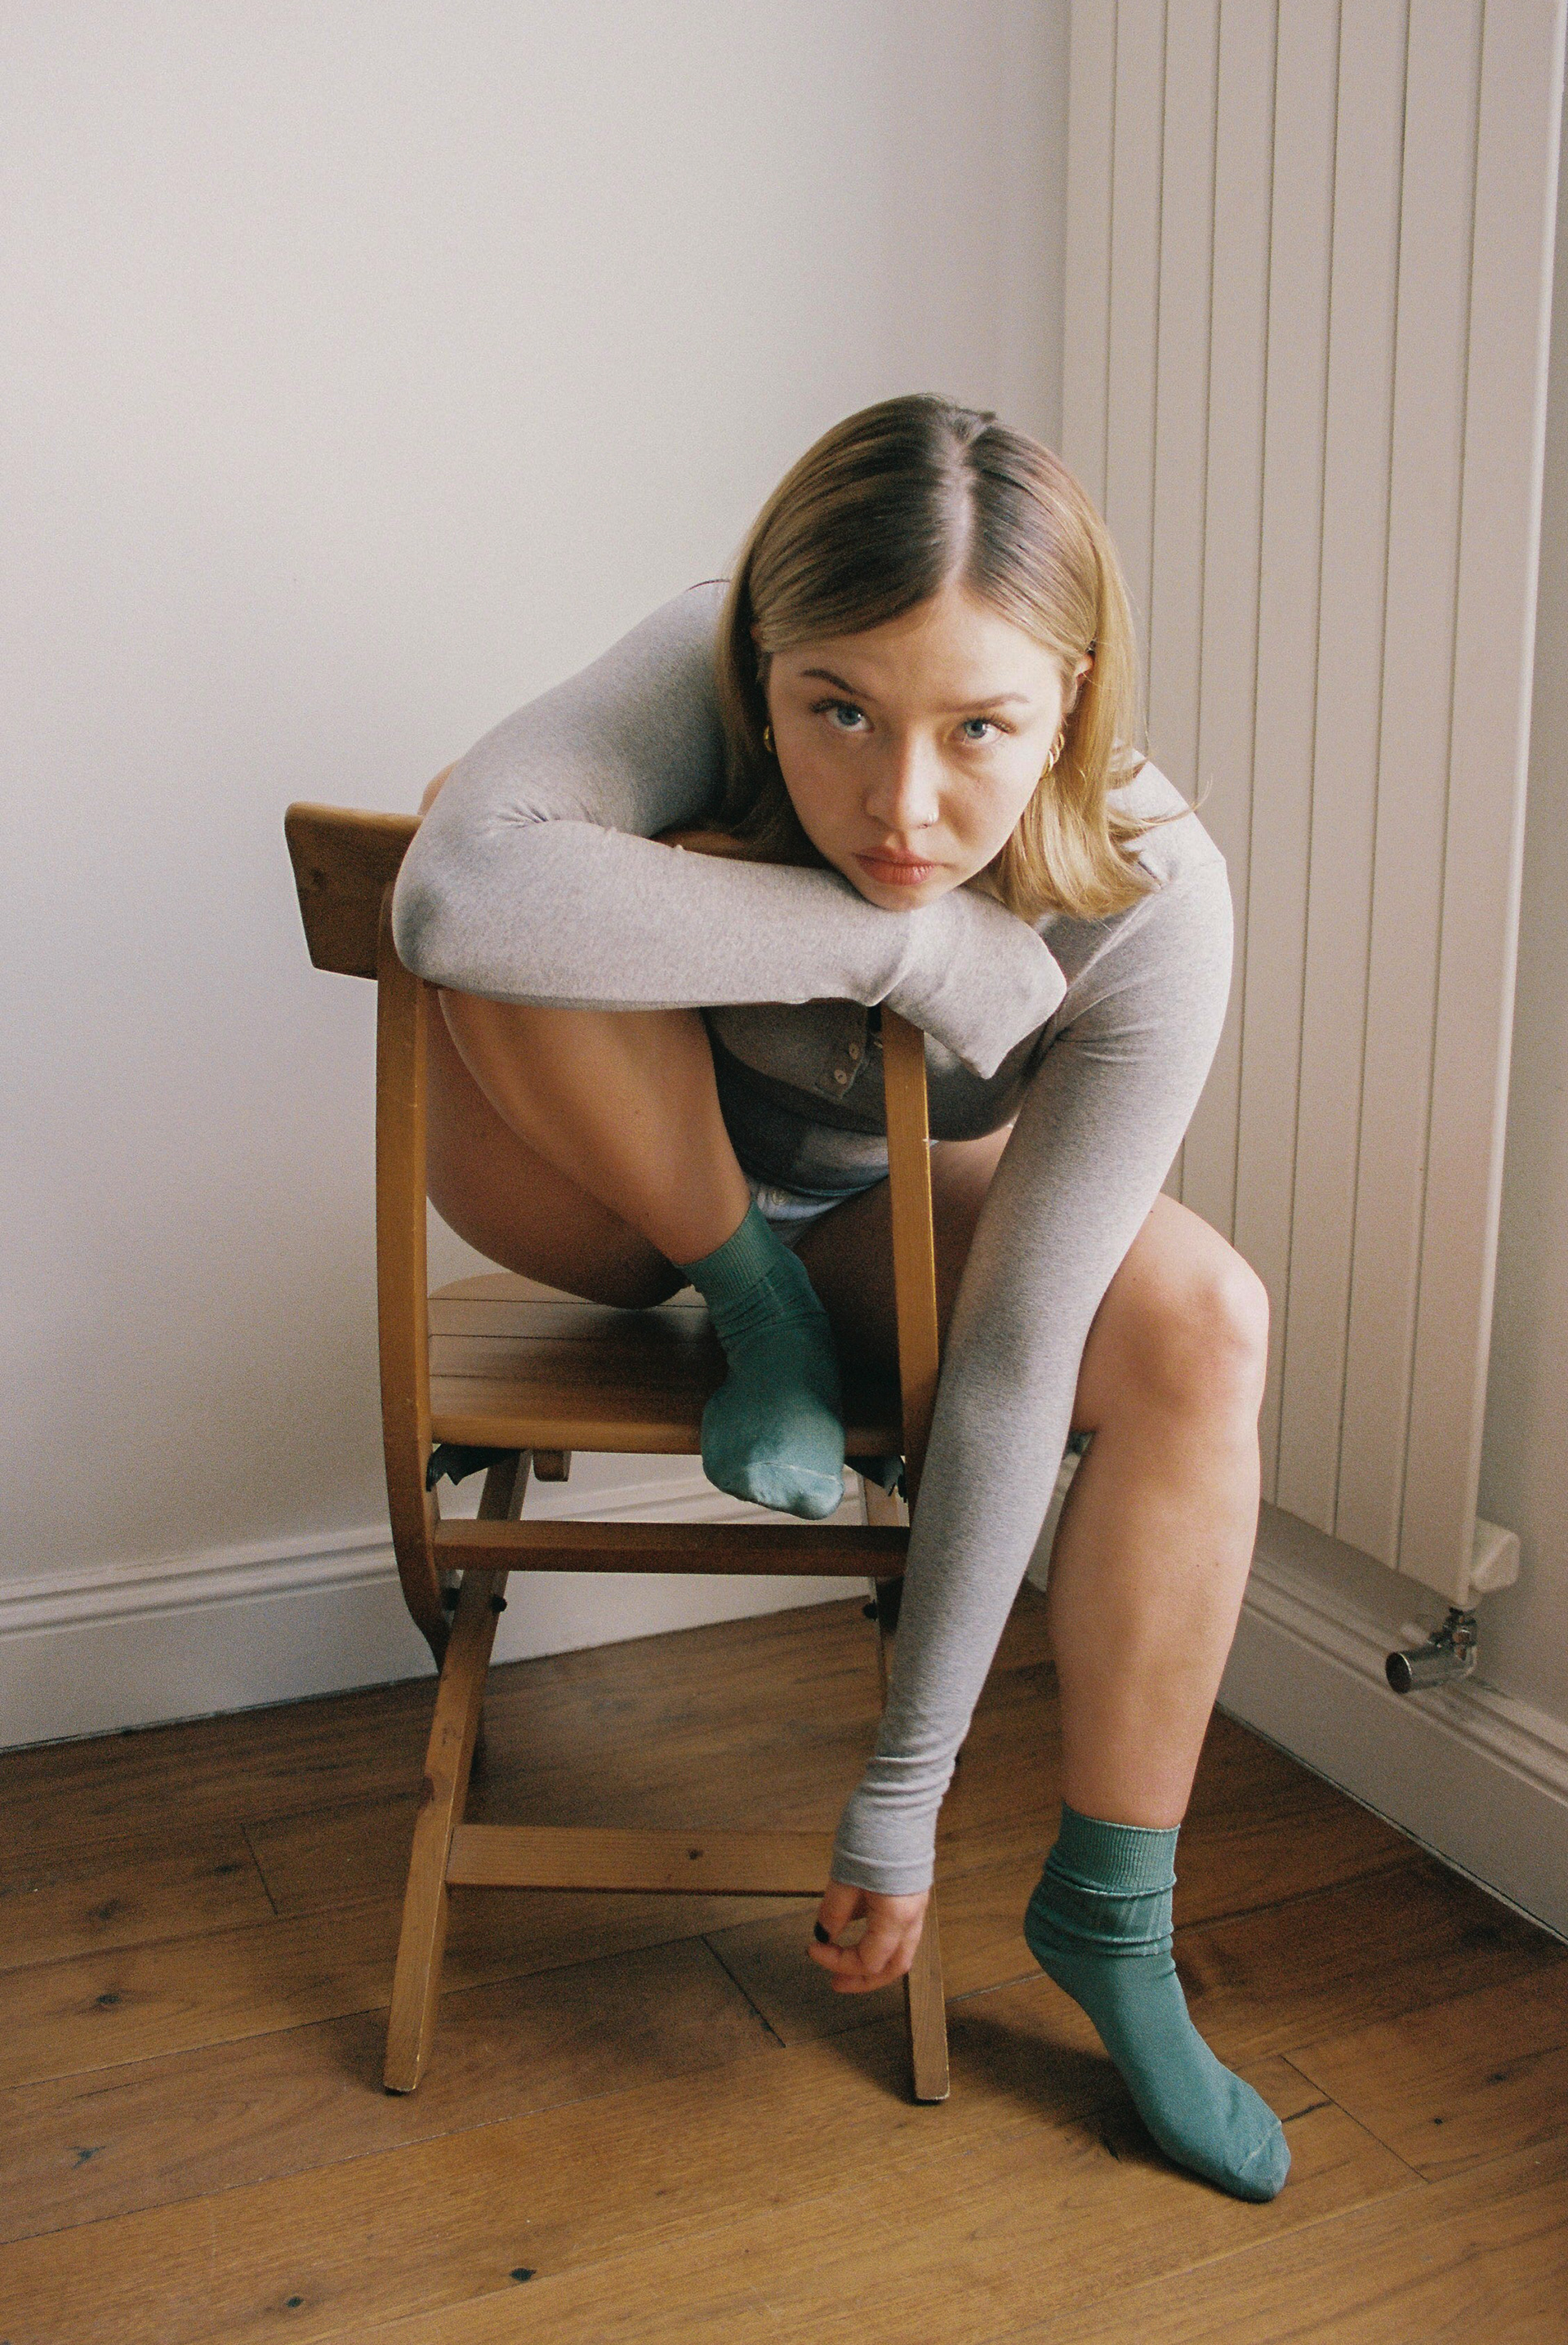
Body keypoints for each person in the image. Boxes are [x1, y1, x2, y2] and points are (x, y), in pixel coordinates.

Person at [392, 395, 1286, 2201]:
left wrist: (904, 1791)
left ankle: (1113, 1913)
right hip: (589, 1179)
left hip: (868, 1204)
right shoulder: (704, 659)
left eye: (981, 729)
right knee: (489, 840)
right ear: (761, 662)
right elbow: (451, 897)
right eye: (841, 713)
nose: (904, 803)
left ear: (1072, 698)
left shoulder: (1156, 894)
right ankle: (755, 1308)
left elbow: (1018, 1352)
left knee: (1203, 1322)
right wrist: (905, 942)